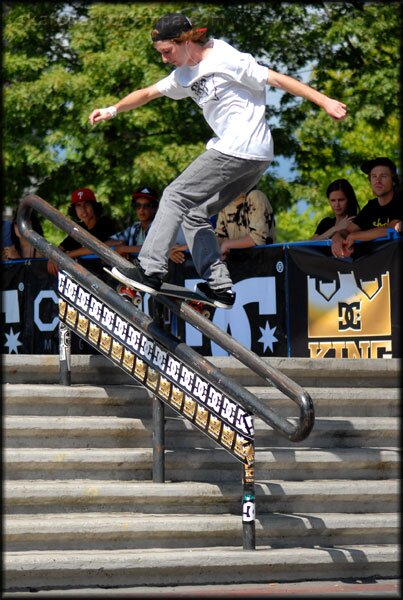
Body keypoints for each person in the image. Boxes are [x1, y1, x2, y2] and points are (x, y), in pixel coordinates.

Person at [89, 12, 347, 308]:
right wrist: (113, 109)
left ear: (184, 40)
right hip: (254, 158)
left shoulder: (225, 57)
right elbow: (147, 93)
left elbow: (276, 79)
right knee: (194, 212)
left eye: (167, 52)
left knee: (175, 195)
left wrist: (324, 100)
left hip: (238, 147)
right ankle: (220, 286)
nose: (164, 59)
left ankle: (149, 269)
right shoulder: (183, 74)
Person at [331, 157, 402, 258]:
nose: (377, 181)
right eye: (374, 176)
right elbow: (347, 231)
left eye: (383, 176)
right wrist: (337, 238)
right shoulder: (371, 207)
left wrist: (354, 236)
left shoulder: (399, 200)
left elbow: (391, 229)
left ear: (393, 181)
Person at [47, 188, 116, 276]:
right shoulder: (79, 228)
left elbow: (96, 247)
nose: (83, 209)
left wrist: (68, 255)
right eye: (78, 205)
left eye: (86, 204)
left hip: (108, 274)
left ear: (94, 206)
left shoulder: (105, 222)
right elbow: (62, 247)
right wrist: (52, 257)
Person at [215, 188, 276, 259]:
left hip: (262, 262)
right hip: (236, 264)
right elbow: (220, 236)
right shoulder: (225, 205)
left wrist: (226, 244)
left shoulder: (255, 196)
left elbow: (257, 239)